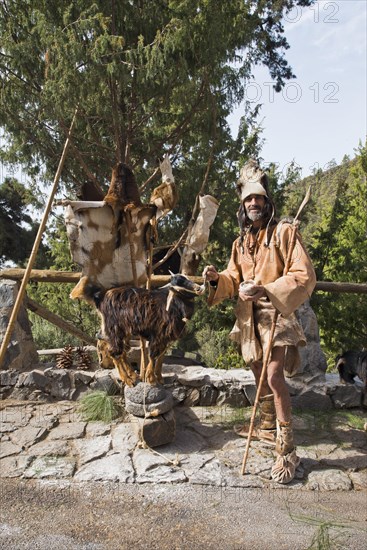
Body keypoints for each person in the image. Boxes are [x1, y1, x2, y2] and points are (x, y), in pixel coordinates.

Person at [203, 159, 316, 484]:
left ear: (268, 202)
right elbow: (231, 278)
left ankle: (288, 450)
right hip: (248, 321)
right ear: (243, 206)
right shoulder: (240, 244)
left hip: (277, 315)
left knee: (274, 376)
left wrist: (266, 287)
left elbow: (303, 275)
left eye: (259, 199)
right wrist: (215, 278)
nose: (254, 203)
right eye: (249, 199)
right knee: (258, 375)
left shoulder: (284, 232)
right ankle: (267, 425)